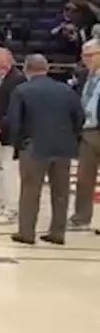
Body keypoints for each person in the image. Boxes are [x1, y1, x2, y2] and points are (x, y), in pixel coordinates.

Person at [6, 54, 83, 246]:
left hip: (34, 146)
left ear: (26, 69)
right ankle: (57, 233)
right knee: (61, 192)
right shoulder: (66, 90)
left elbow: (14, 122)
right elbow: (79, 117)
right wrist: (71, 137)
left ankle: (26, 232)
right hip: (63, 146)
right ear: (46, 68)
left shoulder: (22, 90)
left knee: (31, 190)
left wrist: (17, 144)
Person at [0, 48, 25, 225]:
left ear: (10, 61)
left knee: (9, 172)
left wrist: (1, 125)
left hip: (8, 133)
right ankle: (1, 202)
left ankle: (12, 209)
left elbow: (16, 109)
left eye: (1, 62)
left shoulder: (18, 79)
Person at [73, 40, 100, 233]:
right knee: (84, 178)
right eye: (84, 55)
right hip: (87, 131)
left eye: (91, 55)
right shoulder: (83, 76)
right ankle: (81, 218)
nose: (86, 59)